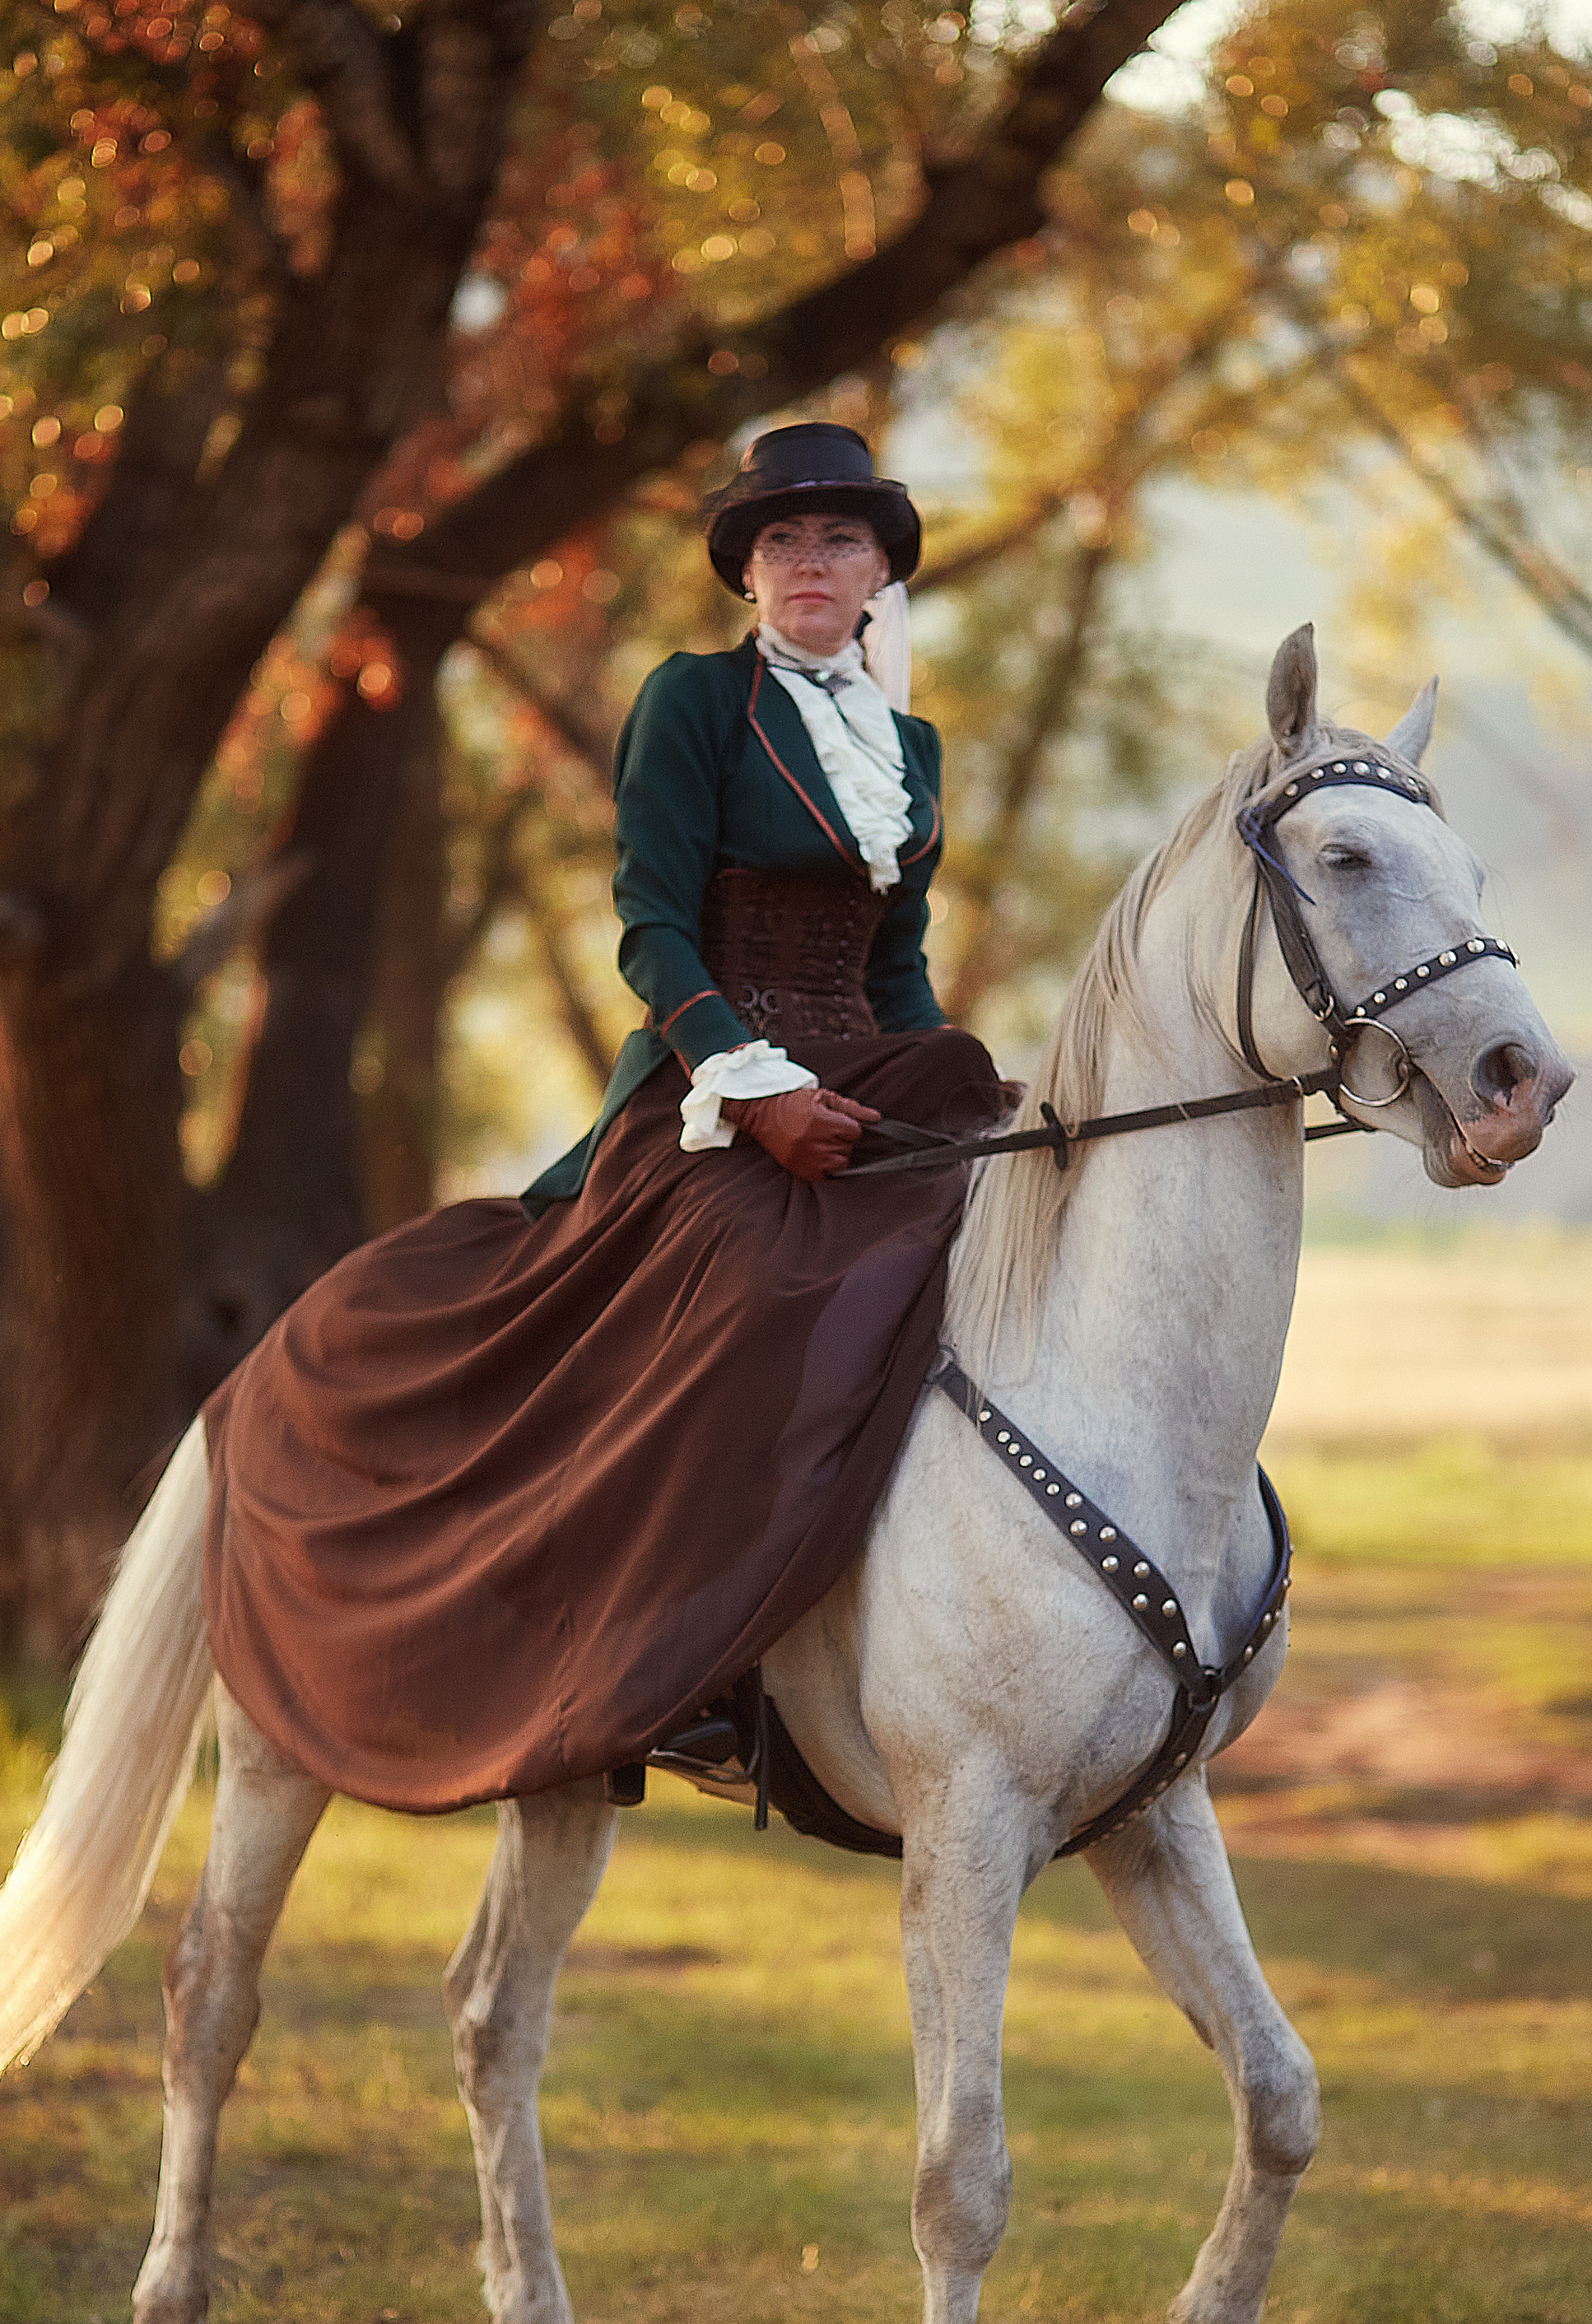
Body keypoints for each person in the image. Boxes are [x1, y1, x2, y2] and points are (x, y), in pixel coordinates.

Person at [200, 423, 1012, 1815]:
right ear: (748, 573)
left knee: (997, 1241)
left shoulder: (911, 744)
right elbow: (649, 934)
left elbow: (894, 962)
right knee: (760, 1279)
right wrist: (753, 1096)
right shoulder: (694, 703)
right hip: (708, 1093)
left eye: (837, 541)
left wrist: (960, 1091)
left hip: (867, 1077)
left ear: (882, 569)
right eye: (781, 542)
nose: (808, 563)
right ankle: (688, 1663)